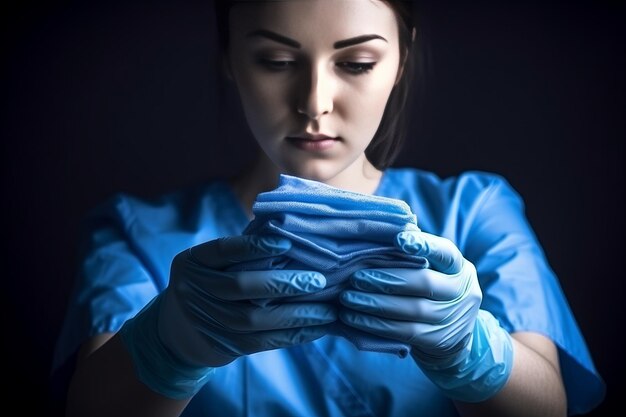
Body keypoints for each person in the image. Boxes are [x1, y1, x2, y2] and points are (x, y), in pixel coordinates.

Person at [52, 1, 605, 416]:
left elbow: (545, 407)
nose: (314, 101)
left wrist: (469, 348)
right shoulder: (134, 234)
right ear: (229, 59)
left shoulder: (476, 211)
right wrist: (169, 343)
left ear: (401, 59)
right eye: (275, 60)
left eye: (358, 63)